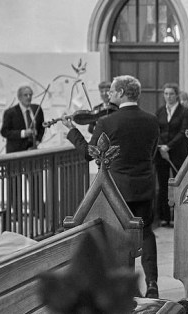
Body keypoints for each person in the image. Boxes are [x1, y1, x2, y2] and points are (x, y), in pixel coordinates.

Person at [63, 75, 161, 298]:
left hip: (117, 189)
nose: (109, 94)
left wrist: (71, 130)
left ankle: (128, 287)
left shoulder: (107, 122)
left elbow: (89, 153)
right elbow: (152, 152)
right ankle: (152, 284)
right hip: (144, 185)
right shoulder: (151, 120)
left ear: (121, 93)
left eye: (112, 91)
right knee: (146, 233)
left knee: (117, 235)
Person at [155, 83, 188, 227]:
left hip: (177, 152)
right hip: (161, 153)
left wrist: (169, 146)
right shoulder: (160, 111)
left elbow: (183, 132)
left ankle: (177, 217)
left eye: (171, 94)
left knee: (178, 183)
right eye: (166, 94)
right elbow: (156, 130)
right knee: (163, 185)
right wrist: (161, 146)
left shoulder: (184, 112)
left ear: (176, 95)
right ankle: (164, 217)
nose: (168, 97)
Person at [0, 85, 45, 153]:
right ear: (19, 97)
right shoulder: (10, 112)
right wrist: (23, 133)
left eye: (30, 95)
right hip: (16, 152)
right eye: (25, 95)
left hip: (32, 150)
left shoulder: (37, 109)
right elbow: (4, 132)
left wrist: (38, 140)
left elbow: (42, 126)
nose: (28, 97)